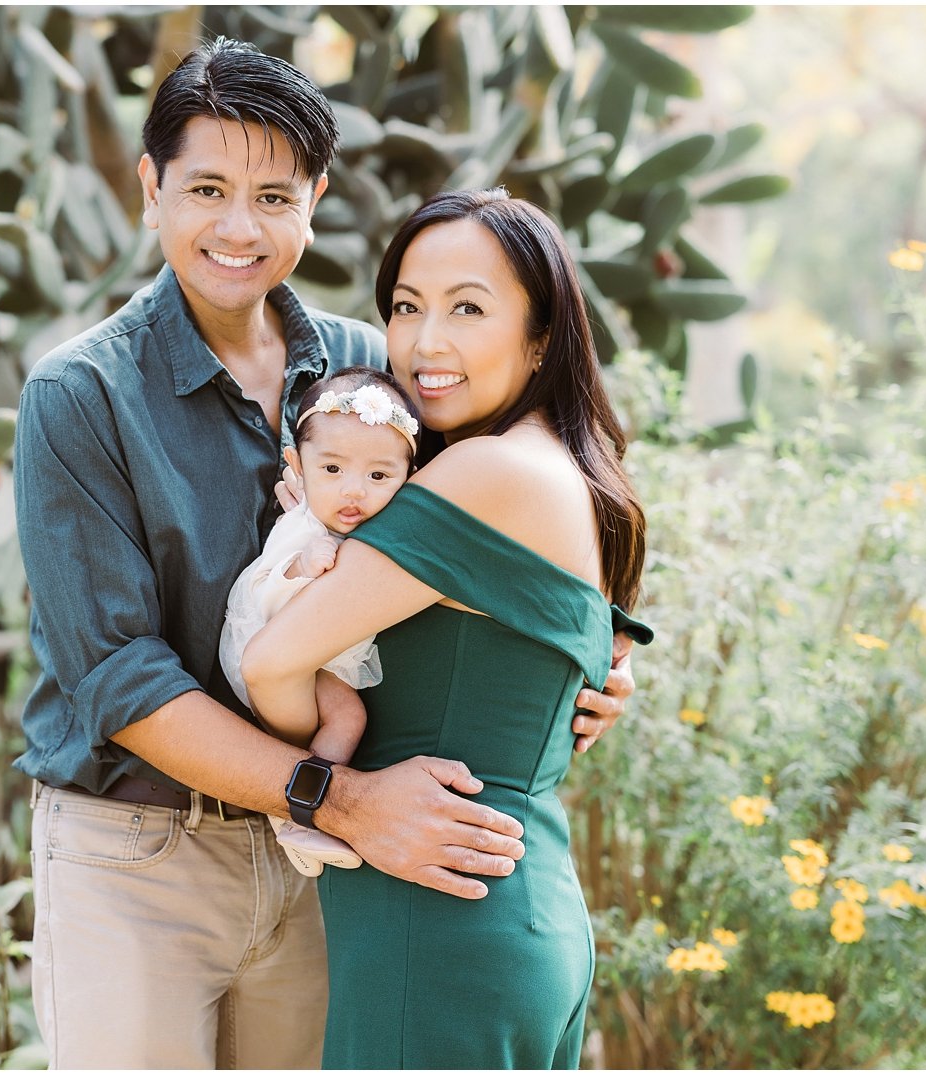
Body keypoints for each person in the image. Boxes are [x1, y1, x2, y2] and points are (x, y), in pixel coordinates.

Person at [14, 37, 637, 1070]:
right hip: (144, 856)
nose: (235, 226)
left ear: (314, 198)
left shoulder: (375, 368)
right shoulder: (80, 396)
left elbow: (498, 545)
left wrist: (591, 660)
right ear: (149, 187)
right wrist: (337, 795)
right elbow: (116, 675)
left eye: (271, 194)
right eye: (206, 188)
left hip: (331, 872)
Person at [242, 188, 654, 1069]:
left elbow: (274, 659)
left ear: (541, 337)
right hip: (508, 908)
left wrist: (313, 773)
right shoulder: (552, 467)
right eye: (405, 306)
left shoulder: (482, 472)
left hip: (435, 924)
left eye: (468, 308)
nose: (426, 343)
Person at [219, 366, 421, 876]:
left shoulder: (358, 524)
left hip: (310, 655)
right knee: (348, 718)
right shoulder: (304, 526)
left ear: (408, 479)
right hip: (266, 640)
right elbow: (261, 585)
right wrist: (302, 565)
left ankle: (293, 815)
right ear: (297, 464)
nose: (353, 491)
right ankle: (305, 811)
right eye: (332, 470)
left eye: (379, 476)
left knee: (339, 720)